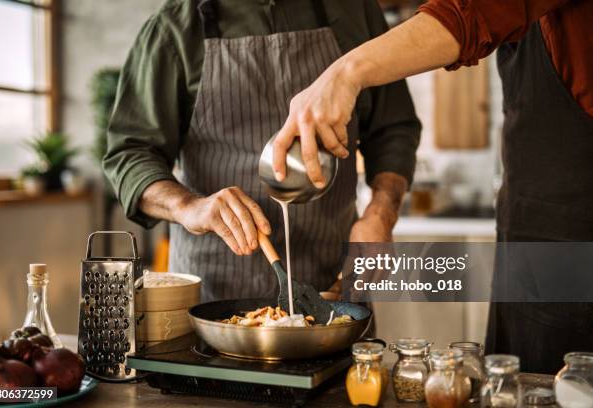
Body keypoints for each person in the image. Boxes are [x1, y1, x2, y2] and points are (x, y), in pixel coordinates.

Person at [273, 0, 592, 373]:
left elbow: (470, 13)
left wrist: (344, 73)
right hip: (530, 234)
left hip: (575, 240)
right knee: (514, 379)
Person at [103, 0, 421, 302]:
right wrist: (189, 207)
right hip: (213, 301)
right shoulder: (174, 26)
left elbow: (393, 129)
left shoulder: (353, 10)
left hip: (335, 291)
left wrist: (381, 213)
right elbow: (130, 153)